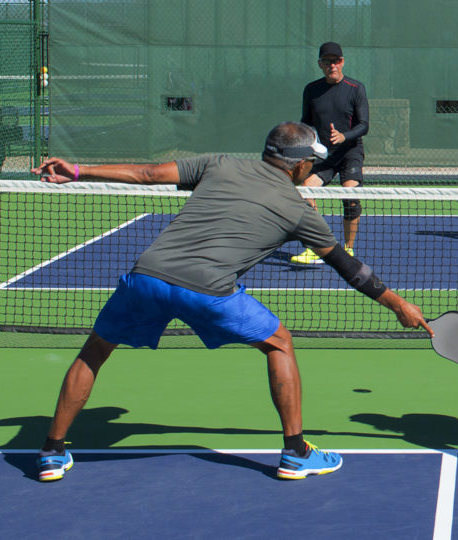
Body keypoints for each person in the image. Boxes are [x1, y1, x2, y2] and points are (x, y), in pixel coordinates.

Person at [30, 121, 432, 482]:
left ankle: (51, 451)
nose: (311, 168)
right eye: (310, 162)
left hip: (148, 276)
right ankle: (295, 452)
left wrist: (78, 170)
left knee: (96, 349)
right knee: (279, 342)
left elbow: (148, 174)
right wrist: (399, 305)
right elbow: (350, 268)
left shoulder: (219, 163)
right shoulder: (299, 210)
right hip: (208, 290)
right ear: (296, 166)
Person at [291, 41, 369, 265]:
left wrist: (344, 136)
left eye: (335, 61)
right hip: (324, 156)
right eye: (327, 62)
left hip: (350, 153)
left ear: (342, 62)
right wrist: (306, 146)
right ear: (320, 65)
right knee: (305, 194)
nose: (332, 66)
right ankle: (317, 247)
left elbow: (364, 125)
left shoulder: (356, 89)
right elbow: (306, 123)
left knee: (351, 197)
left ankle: (348, 249)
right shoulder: (312, 90)